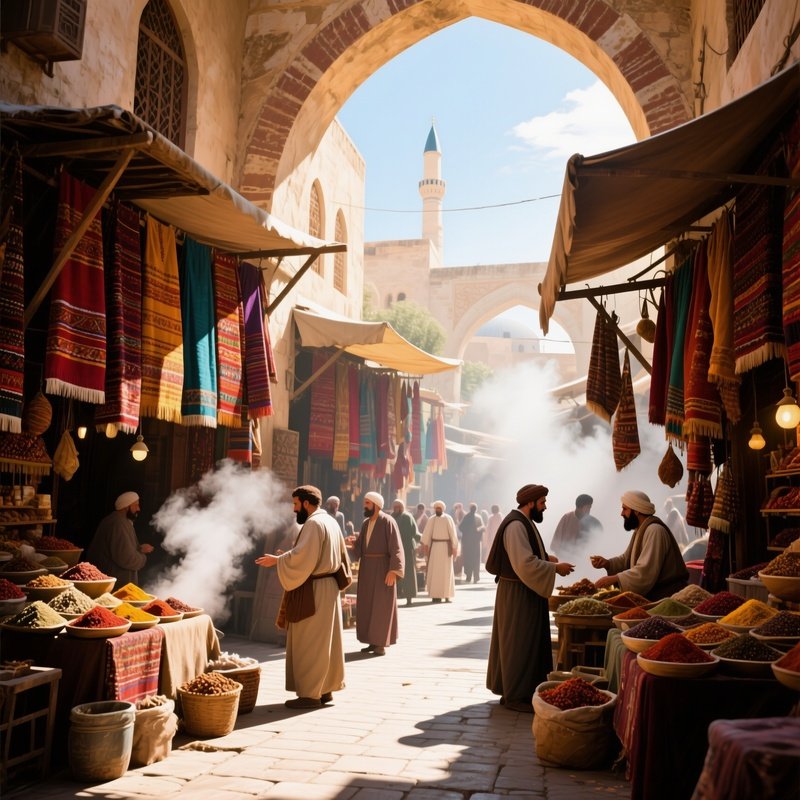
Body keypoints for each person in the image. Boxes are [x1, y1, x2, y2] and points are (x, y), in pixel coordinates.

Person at [486, 484, 575, 713]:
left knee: (524, 641)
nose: (544, 507)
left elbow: (528, 553)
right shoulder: (516, 525)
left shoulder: (524, 522)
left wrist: (547, 558)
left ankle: (520, 692)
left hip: (524, 591)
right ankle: (515, 695)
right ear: (530, 503)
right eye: (542, 502)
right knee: (518, 642)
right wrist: (554, 568)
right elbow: (524, 563)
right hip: (517, 594)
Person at [255, 485, 345, 708]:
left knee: (310, 642)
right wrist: (284, 558)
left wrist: (278, 561)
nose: (294, 510)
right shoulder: (331, 522)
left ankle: (310, 695)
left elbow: (303, 557)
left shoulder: (314, 523)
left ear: (306, 503)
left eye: (296, 504)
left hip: (314, 589)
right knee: (326, 642)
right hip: (329, 587)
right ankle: (325, 690)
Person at [591, 490, 689, 600]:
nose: (621, 513)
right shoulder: (641, 529)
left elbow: (645, 572)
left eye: (625, 509)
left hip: (667, 598)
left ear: (636, 511)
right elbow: (626, 559)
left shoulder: (655, 530)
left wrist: (615, 579)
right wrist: (608, 563)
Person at [345, 492, 404, 655]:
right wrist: (352, 544)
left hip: (383, 569)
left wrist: (394, 570)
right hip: (367, 570)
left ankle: (380, 643)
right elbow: (360, 549)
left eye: (367, 503)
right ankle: (371, 640)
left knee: (380, 606)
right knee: (368, 605)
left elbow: (396, 547)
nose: (364, 506)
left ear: (376, 505)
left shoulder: (388, 521)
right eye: (365, 503)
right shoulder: (365, 524)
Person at [86, 491, 154, 585]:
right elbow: (127, 559)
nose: (139, 508)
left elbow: (122, 548)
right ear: (127, 506)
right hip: (113, 584)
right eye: (136, 505)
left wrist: (140, 549)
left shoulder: (122, 521)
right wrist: (143, 558)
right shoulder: (117, 523)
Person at [420, 500, 459, 603]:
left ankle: (447, 595)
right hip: (435, 549)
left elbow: (453, 534)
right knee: (435, 572)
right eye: (436, 508)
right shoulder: (431, 519)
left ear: (442, 509)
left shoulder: (448, 518)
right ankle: (435, 595)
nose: (437, 510)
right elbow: (426, 534)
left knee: (446, 572)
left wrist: (454, 547)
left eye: (439, 508)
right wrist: (425, 546)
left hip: (446, 549)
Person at [549, 494, 603, 561]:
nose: (589, 510)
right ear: (580, 507)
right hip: (565, 561)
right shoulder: (566, 518)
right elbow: (556, 542)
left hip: (585, 561)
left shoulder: (595, 523)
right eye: (588, 507)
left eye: (590, 507)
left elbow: (599, 545)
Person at [391, 498, 421, 606]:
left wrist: (421, 542)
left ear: (402, 507)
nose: (396, 509)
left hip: (407, 549)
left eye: (398, 507)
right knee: (395, 572)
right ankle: (395, 596)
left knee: (408, 573)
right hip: (395, 549)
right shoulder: (391, 518)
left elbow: (414, 532)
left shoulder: (407, 517)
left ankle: (409, 597)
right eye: (394, 507)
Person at [459, 502, 485, 583]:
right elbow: (482, 527)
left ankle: (472, 576)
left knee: (471, 559)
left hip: (471, 542)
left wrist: (476, 530)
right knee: (473, 559)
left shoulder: (469, 517)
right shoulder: (474, 517)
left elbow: (461, 527)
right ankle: (472, 576)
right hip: (472, 542)